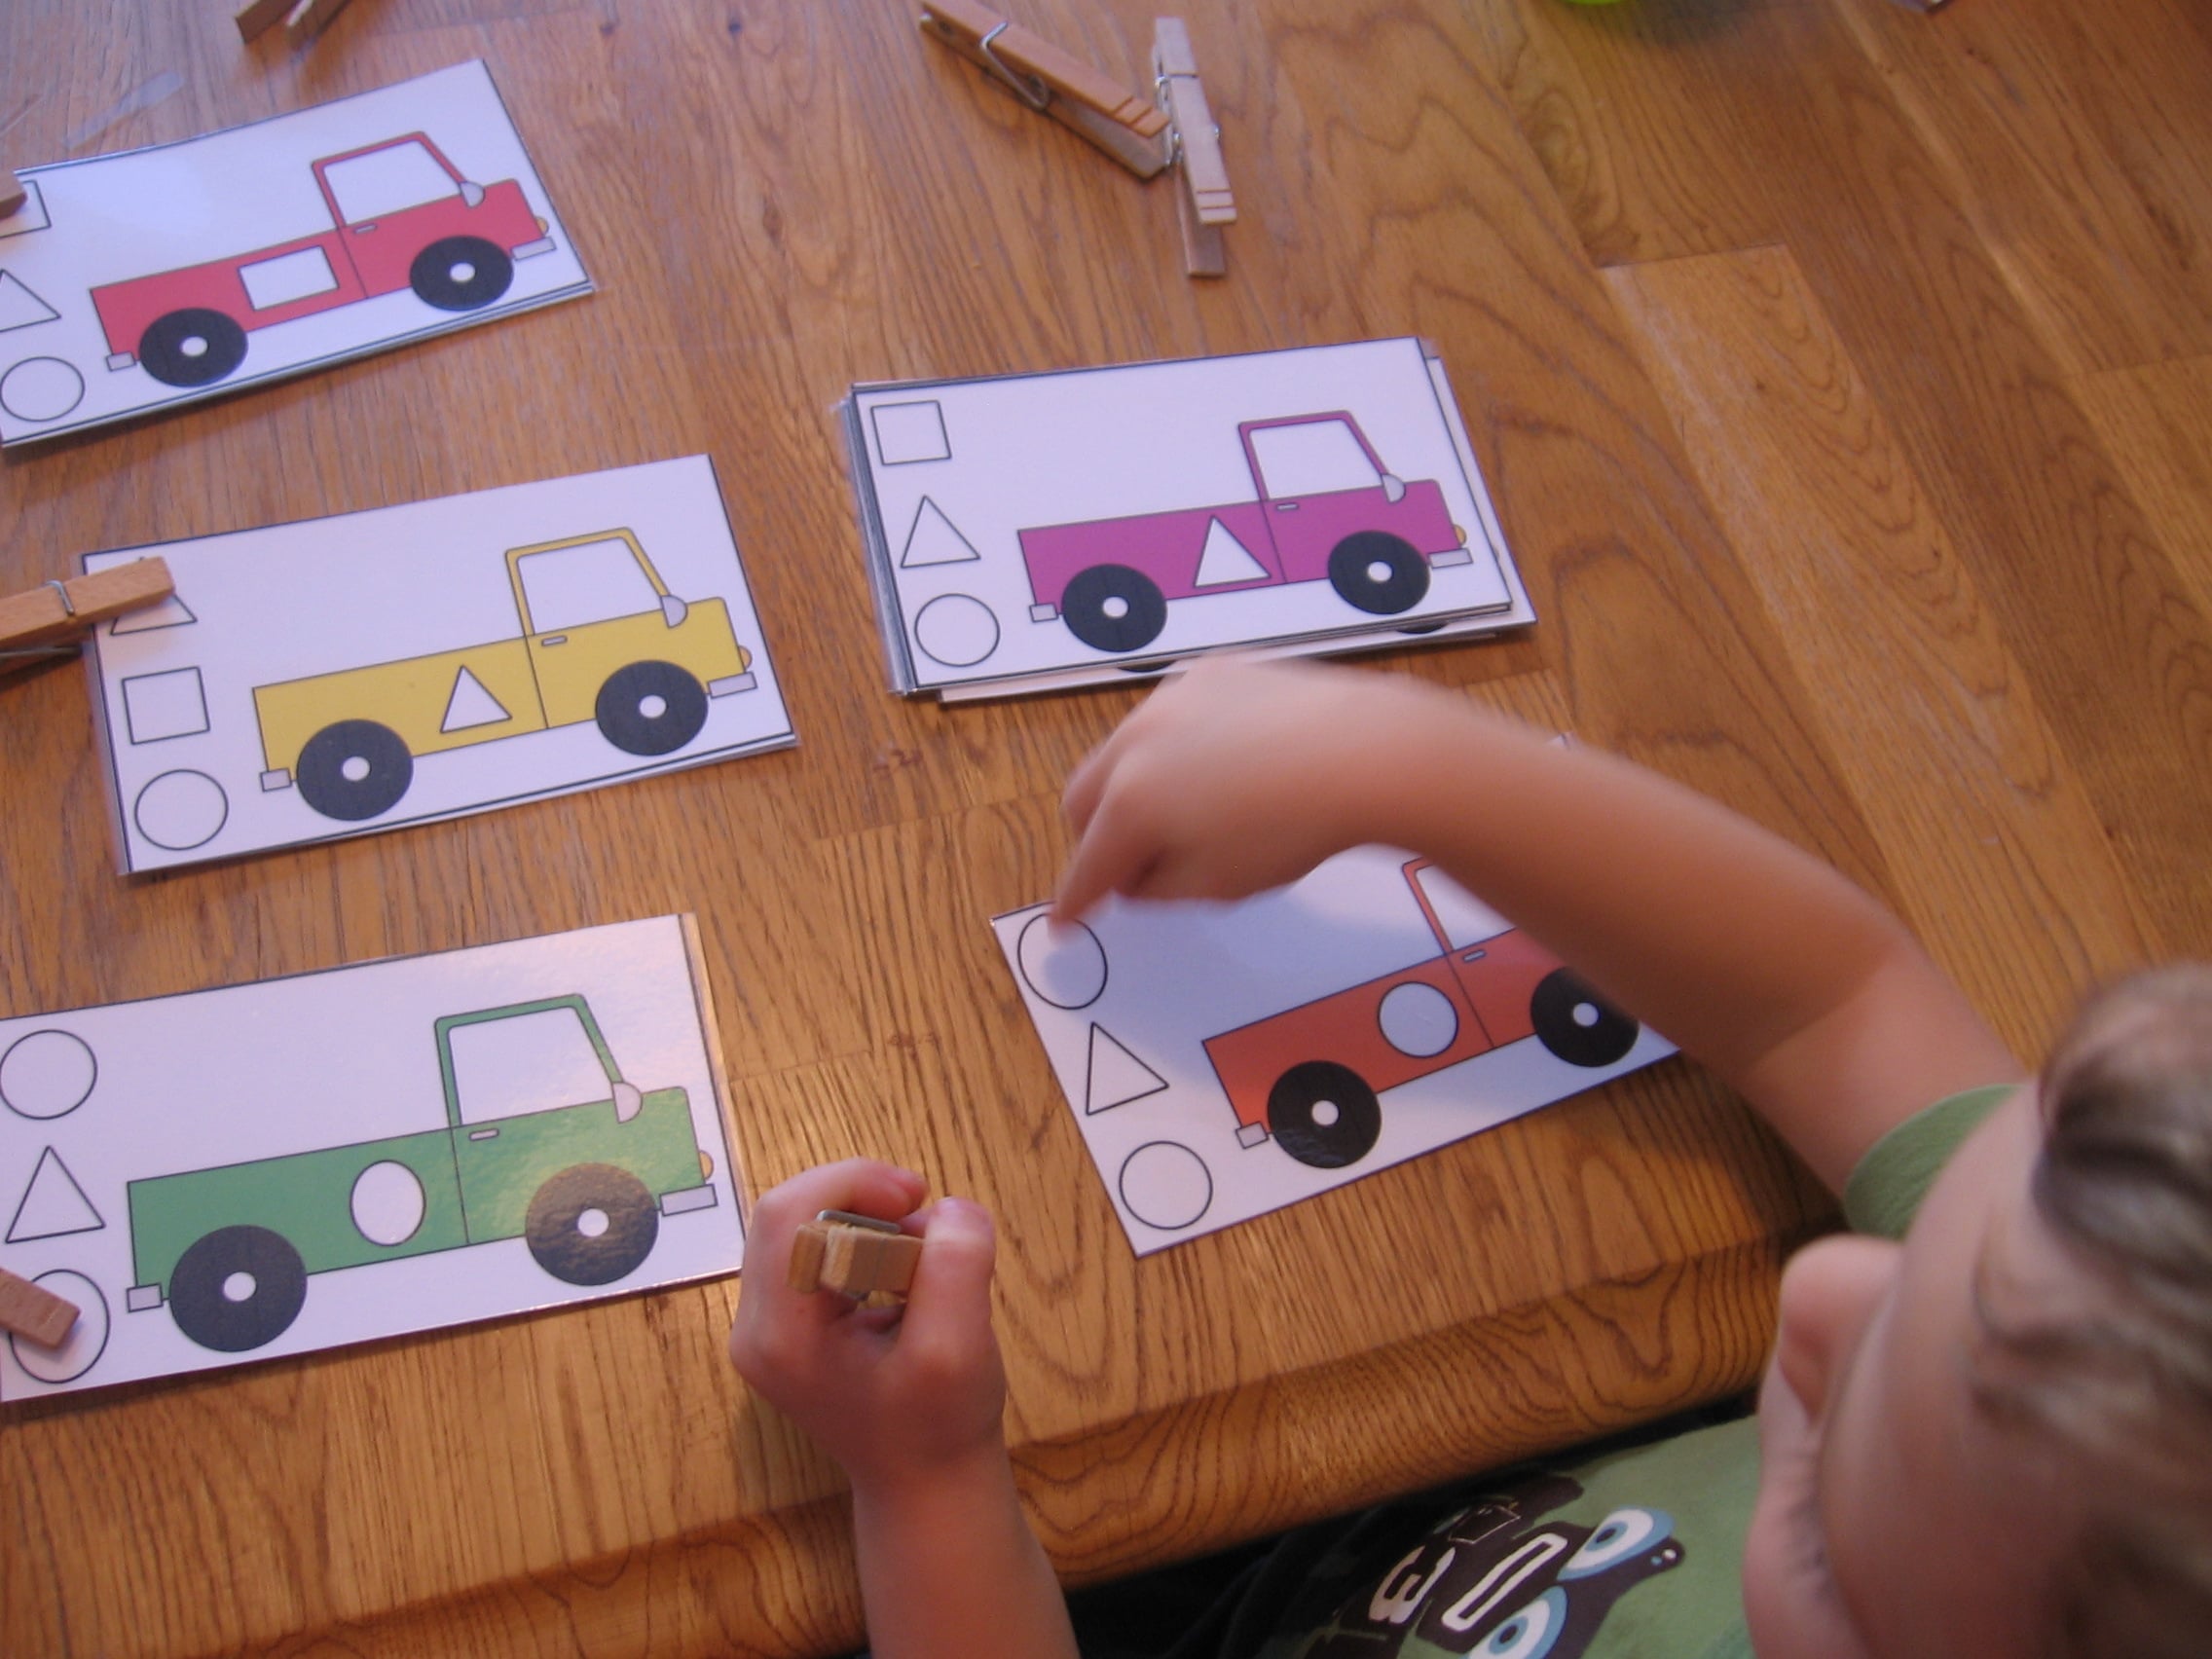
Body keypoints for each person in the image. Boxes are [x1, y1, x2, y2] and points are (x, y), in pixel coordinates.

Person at [727, 657, 2212, 1659]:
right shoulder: (2109, 1323)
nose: (1820, 1291)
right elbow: (1843, 1003)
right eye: (1919, 1250)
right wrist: (1403, 759)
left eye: (1822, 1518)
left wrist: (925, 1486)